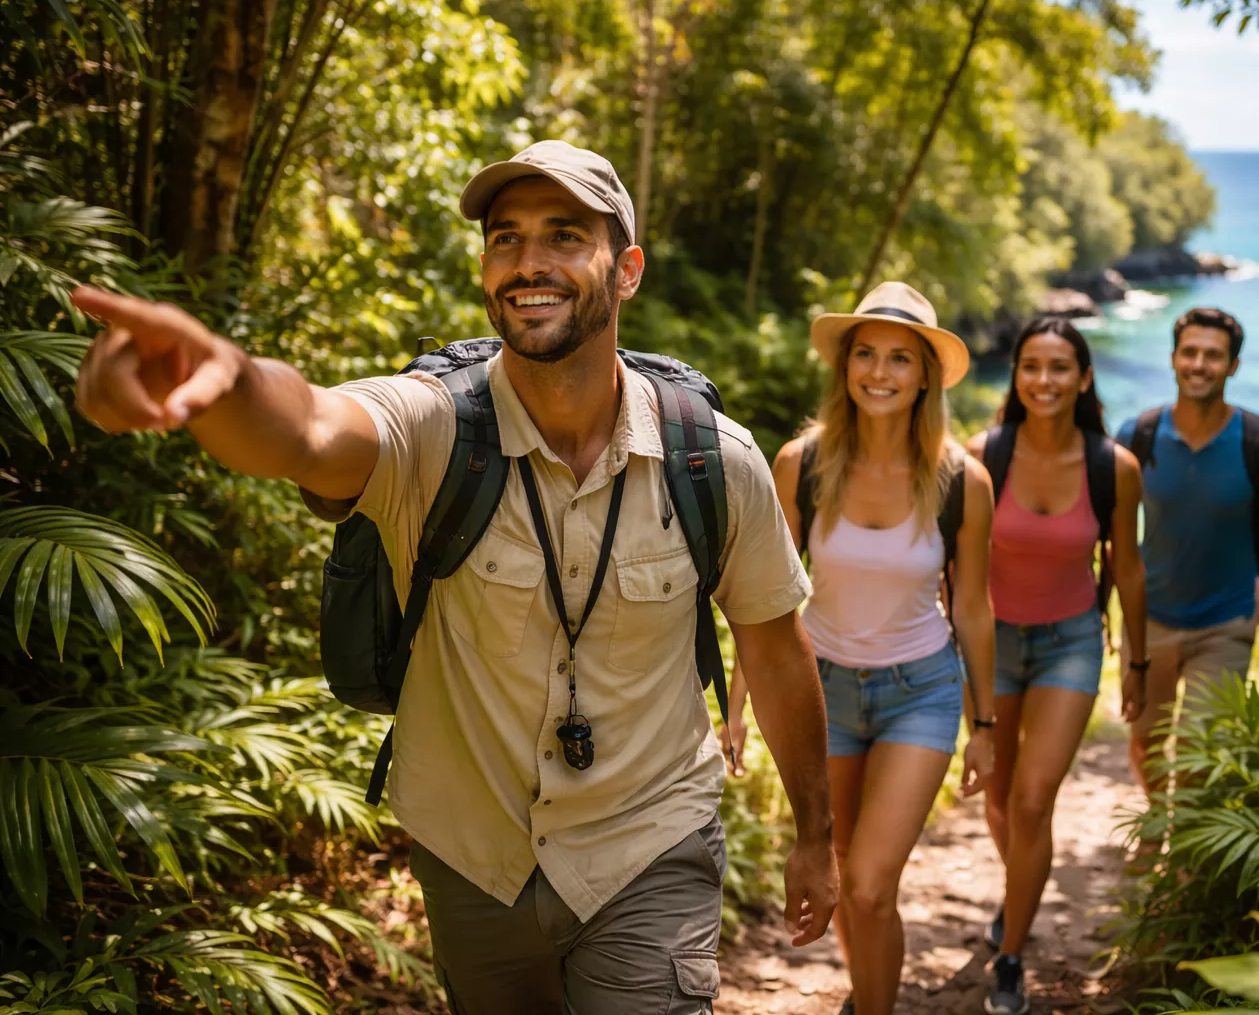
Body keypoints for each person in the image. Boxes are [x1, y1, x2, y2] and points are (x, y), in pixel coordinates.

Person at [71, 140, 838, 1015]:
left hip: (649, 843)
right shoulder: (437, 429)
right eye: (505, 239)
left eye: (562, 236)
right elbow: (312, 427)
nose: (528, 263)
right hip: (474, 856)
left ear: (625, 270)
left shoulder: (713, 459)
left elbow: (775, 651)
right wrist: (224, 383)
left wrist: (816, 835)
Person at [728, 282, 995, 1015]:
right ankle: (866, 992)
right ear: (846, 367)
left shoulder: (962, 478)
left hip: (924, 690)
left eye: (900, 359)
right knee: (842, 873)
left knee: (873, 883)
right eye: (866, 355)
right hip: (827, 694)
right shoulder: (800, 464)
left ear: (925, 376)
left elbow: (973, 606)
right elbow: (764, 600)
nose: (880, 372)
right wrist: (737, 705)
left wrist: (987, 725)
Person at [966, 316, 1147, 1015]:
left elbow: (1127, 569)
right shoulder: (985, 455)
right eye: (1032, 367)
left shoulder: (1114, 466)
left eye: (1060, 367)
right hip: (995, 647)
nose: (1045, 381)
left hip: (1071, 642)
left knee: (1035, 800)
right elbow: (957, 566)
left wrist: (1135, 659)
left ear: (1085, 378)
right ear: (1017, 376)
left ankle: (1011, 954)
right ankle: (1021, 894)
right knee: (1000, 796)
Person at [1117, 307, 1259, 798]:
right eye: (1190, 353)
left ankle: (1183, 861)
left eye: (1214, 356)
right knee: (1145, 744)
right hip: (1149, 619)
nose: (1200, 364)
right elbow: (1105, 531)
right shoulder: (1135, 436)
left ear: (1233, 366)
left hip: (1226, 623)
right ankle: (1156, 826)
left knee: (1203, 750)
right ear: (1174, 358)